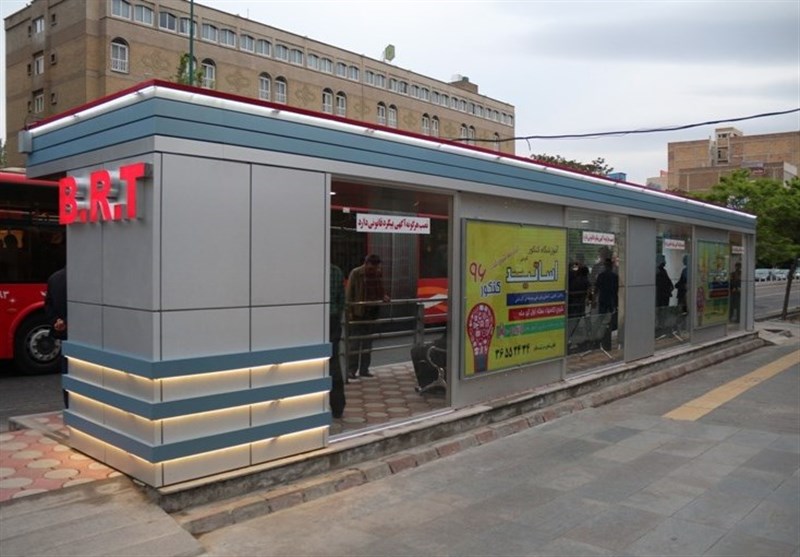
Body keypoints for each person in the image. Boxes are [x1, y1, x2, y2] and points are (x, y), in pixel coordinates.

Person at [345, 254, 390, 380]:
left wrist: (384, 296)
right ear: (366, 263)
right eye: (372, 267)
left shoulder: (377, 273)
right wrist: (349, 311)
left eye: (376, 267)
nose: (374, 269)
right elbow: (349, 293)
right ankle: (351, 370)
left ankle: (364, 369)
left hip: (372, 313)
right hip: (358, 313)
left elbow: (380, 290)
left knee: (367, 343)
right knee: (355, 343)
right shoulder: (356, 273)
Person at [44, 267, 68, 408]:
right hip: (81, 335)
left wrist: (56, 321)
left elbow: (48, 305)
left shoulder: (54, 277)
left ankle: (68, 405)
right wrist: (66, 322)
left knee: (67, 372)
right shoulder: (84, 278)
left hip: (64, 334)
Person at [329, 264, 346, 418]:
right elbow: (342, 300)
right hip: (334, 319)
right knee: (334, 361)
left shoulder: (314, 271)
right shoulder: (336, 271)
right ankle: (338, 405)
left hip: (317, 319)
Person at [594, 258, 618, 351]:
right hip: (610, 300)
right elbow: (616, 290)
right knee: (610, 319)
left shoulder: (601, 275)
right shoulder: (614, 276)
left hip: (603, 299)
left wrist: (594, 300)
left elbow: (597, 288)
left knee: (601, 318)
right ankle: (606, 337)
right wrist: (616, 302)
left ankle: (598, 337)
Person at [655, 254, 674, 334]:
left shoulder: (662, 271)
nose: (665, 262)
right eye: (663, 260)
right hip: (660, 295)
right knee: (660, 311)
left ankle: (661, 325)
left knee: (662, 311)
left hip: (663, 295)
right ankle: (660, 326)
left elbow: (669, 282)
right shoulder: (657, 271)